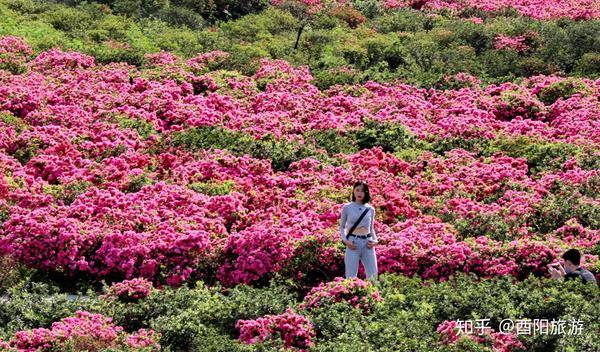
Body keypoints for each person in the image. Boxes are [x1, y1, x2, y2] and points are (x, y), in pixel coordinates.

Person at [339, 180, 378, 281]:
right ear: (353, 191)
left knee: (373, 276)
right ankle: (351, 296)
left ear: (366, 193)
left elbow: (371, 228)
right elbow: (342, 226)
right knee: (350, 277)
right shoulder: (347, 207)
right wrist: (345, 240)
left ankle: (373, 296)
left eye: (363, 191)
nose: (360, 193)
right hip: (353, 243)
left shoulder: (371, 209)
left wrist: (375, 241)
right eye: (357, 190)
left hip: (368, 243)